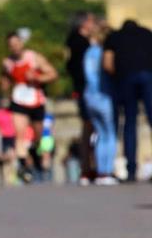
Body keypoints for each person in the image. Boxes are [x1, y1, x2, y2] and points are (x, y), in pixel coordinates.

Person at [1, 29, 57, 183]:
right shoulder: (7, 63)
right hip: (18, 101)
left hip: (36, 100)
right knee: (20, 134)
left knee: (38, 135)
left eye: (17, 43)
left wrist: (37, 77)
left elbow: (52, 74)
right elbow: (4, 82)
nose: (15, 47)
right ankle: (24, 167)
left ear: (22, 43)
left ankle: (36, 152)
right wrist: (5, 82)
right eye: (11, 45)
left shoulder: (34, 58)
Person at [103, 19, 152, 182]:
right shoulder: (147, 34)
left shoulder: (114, 37)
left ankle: (131, 170)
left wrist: (117, 77)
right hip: (148, 76)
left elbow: (107, 63)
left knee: (130, 122)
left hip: (126, 78)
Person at [65, 12, 99, 183]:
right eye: (92, 21)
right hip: (87, 89)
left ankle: (89, 166)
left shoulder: (74, 41)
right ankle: (89, 167)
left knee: (90, 127)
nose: (94, 24)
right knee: (90, 126)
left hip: (83, 89)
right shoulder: (80, 43)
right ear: (84, 23)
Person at [83, 21, 118, 184]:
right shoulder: (104, 52)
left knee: (100, 134)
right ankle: (107, 171)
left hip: (89, 95)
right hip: (103, 95)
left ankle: (100, 172)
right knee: (110, 134)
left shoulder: (89, 52)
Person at [0, 106, 17, 185]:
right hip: (2, 137)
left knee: (12, 157)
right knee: (3, 159)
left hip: (12, 136)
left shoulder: (14, 112)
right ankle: (5, 178)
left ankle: (11, 177)